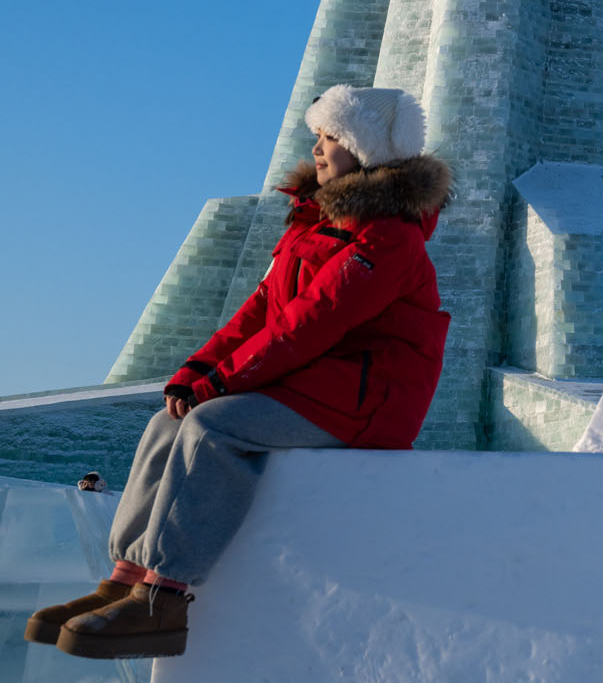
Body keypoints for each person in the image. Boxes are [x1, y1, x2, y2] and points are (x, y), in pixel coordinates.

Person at [25, 86, 452, 661]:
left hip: (367, 397)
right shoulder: (312, 227)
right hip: (316, 386)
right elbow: (260, 312)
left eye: (330, 137)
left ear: (365, 151)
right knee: (166, 424)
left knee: (214, 427)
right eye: (318, 135)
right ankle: (122, 582)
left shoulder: (388, 238)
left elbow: (315, 320)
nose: (316, 147)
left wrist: (223, 384)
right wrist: (197, 369)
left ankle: (163, 600)